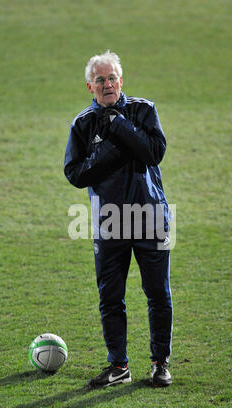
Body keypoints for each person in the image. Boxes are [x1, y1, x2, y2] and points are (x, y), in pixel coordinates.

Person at [64, 50, 173, 388]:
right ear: (89, 86)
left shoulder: (144, 110)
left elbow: (154, 153)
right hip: (109, 221)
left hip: (151, 215)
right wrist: (114, 147)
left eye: (112, 78)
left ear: (121, 80)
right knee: (110, 297)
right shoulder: (82, 124)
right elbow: (75, 173)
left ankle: (160, 364)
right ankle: (118, 366)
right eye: (101, 80)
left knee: (158, 293)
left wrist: (120, 126)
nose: (108, 84)